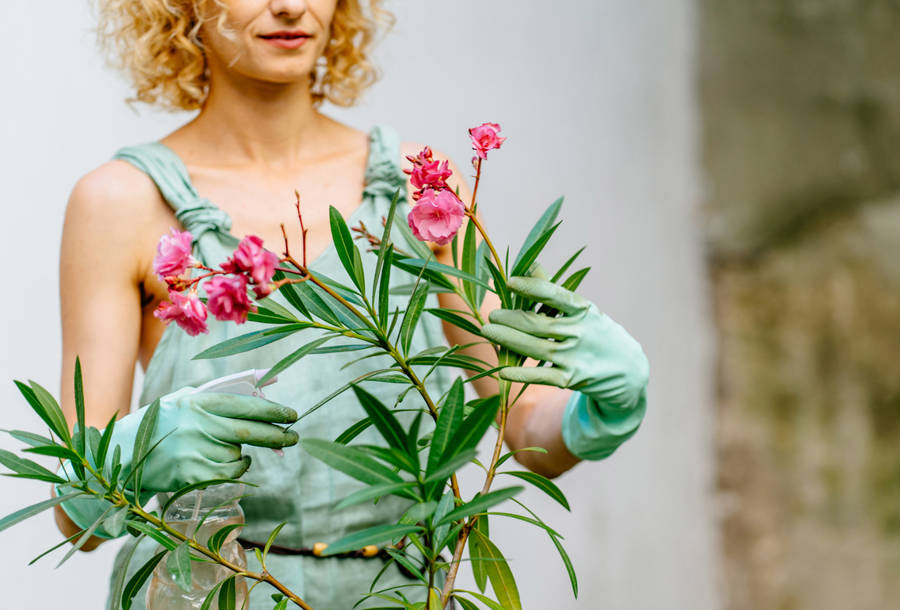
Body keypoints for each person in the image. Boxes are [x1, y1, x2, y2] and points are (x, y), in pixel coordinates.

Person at [54, 1, 650, 608]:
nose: (290, 5)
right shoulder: (121, 203)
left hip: (399, 593)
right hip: (210, 592)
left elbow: (524, 427)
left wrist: (597, 410)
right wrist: (139, 450)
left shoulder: (422, 189)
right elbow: (76, 516)